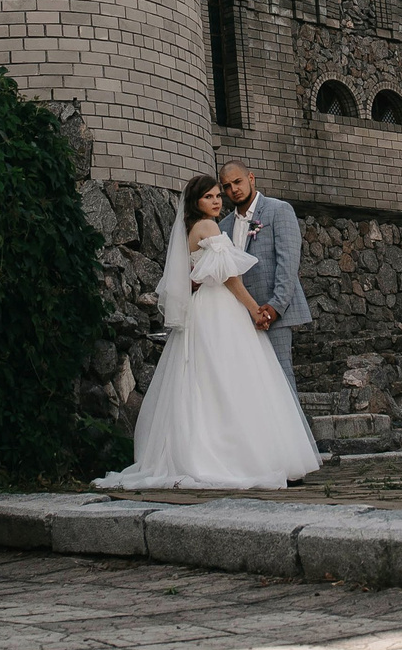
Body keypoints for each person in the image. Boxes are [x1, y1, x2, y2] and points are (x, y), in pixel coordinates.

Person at [93, 173, 321, 491]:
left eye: (218, 196)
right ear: (196, 202)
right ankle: (244, 458)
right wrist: (255, 309)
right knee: (233, 380)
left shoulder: (190, 228)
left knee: (207, 380)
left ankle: (219, 450)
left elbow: (192, 276)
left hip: (204, 307)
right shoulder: (209, 226)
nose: (217, 201)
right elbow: (230, 278)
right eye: (209, 197)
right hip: (219, 309)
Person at [221, 159, 309, 395]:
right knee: (249, 383)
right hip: (239, 315)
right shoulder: (223, 226)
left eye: (237, 182)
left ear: (251, 178)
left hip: (274, 314)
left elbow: (288, 263)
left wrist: (274, 307)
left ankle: (293, 432)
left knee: (281, 378)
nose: (233, 190)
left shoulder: (278, 210)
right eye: (227, 186)